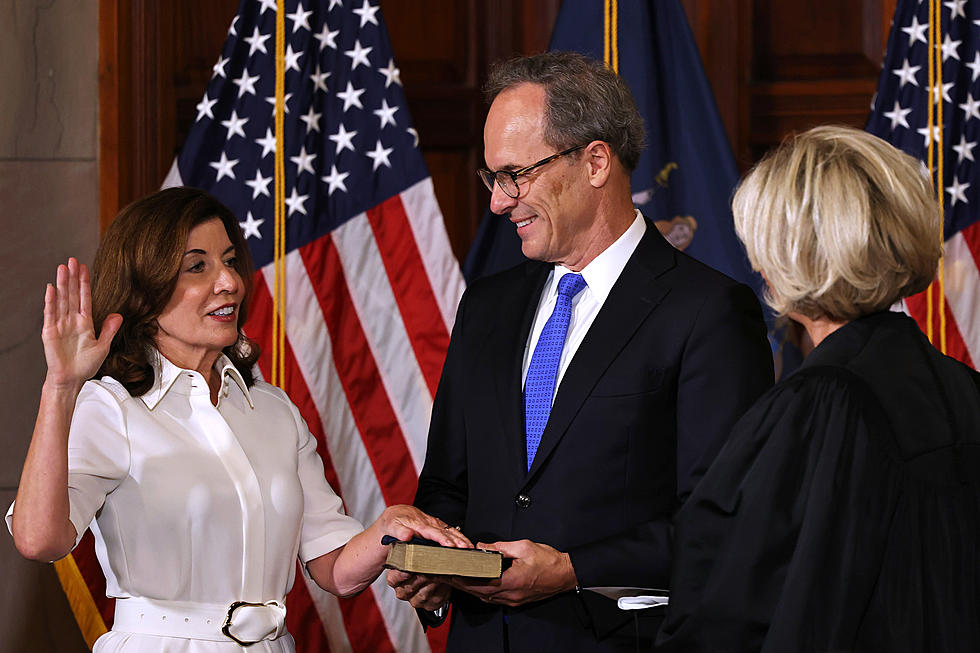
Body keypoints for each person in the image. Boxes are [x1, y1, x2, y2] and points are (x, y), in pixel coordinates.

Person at [387, 52, 774, 652]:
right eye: (492, 178)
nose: (498, 202)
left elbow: (719, 520)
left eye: (516, 174)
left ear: (595, 162)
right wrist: (436, 561)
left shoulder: (707, 312)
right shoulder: (485, 306)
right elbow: (446, 484)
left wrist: (570, 569)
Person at [7, 187, 471, 652]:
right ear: (145, 289)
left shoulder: (273, 410)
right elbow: (39, 540)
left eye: (229, 260)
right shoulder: (109, 407)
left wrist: (391, 526)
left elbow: (334, 566)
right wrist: (61, 387)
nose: (229, 281)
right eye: (197, 266)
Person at [657, 126, 980, 652]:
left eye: (759, 243)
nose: (755, 262)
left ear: (793, 254)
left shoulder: (819, 406)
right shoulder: (963, 388)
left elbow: (734, 608)